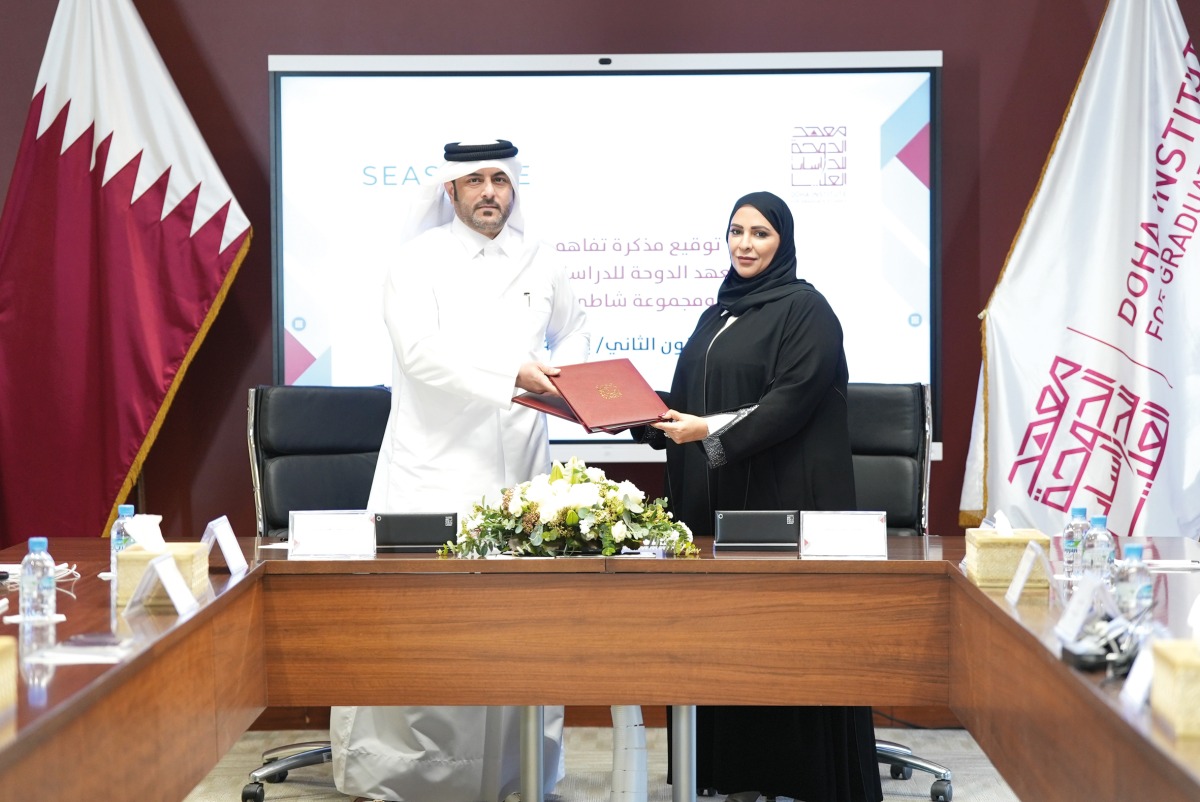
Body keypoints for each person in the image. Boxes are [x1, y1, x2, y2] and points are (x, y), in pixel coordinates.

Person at [330, 139, 590, 802]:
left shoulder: (541, 259)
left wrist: (581, 385)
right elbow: (420, 357)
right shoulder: (416, 262)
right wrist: (514, 375)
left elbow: (577, 333)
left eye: (500, 179)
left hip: (521, 471)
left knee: (517, 632)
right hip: (433, 469)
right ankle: (408, 779)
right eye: (474, 180)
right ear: (450, 191)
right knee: (428, 630)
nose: (489, 192)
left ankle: (516, 773)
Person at [641, 191, 883, 802]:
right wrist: (649, 419)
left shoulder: (807, 310)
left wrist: (708, 430)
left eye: (760, 234)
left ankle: (796, 780)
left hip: (784, 508)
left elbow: (791, 401)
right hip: (712, 511)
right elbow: (685, 400)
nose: (745, 244)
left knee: (779, 647)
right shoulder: (717, 313)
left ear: (783, 242)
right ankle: (726, 776)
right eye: (736, 232)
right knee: (718, 645)